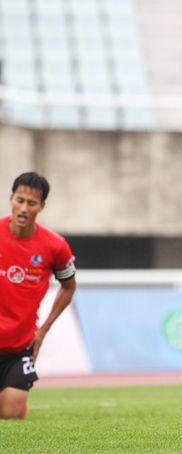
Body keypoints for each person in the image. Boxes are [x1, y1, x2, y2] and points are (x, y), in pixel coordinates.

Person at [0, 172, 76, 419]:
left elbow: (69, 287)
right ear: (11, 199)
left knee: (10, 415)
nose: (24, 208)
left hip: (19, 347)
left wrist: (42, 331)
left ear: (41, 206)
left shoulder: (55, 246)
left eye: (31, 203)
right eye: (19, 200)